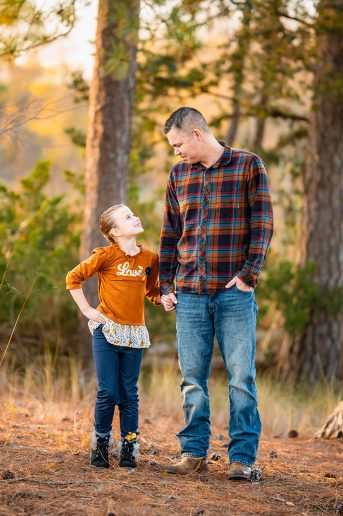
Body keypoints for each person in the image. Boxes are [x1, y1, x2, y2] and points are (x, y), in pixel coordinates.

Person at [159, 107, 273, 480]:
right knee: (192, 378)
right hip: (189, 293)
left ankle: (242, 459)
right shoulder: (178, 175)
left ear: (196, 134)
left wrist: (248, 275)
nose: (175, 152)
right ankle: (193, 453)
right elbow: (170, 234)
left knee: (241, 377)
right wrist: (165, 284)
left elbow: (263, 224)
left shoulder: (248, 165)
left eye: (177, 144)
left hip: (233, 294)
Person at [66, 204, 161, 469]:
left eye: (134, 214)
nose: (136, 217)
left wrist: (163, 299)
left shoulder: (150, 258)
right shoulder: (106, 255)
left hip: (134, 334)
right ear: (115, 231)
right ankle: (100, 445)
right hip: (107, 331)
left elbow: (152, 291)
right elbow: (73, 278)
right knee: (108, 392)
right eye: (128, 217)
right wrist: (86, 309)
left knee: (129, 393)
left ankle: (129, 446)